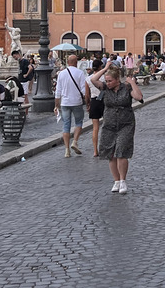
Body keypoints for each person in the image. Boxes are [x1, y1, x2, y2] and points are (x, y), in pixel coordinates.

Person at [93, 63, 142, 193]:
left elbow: (139, 97)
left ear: (117, 80)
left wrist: (132, 82)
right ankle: (116, 181)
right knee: (111, 154)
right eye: (106, 81)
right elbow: (93, 80)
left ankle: (123, 181)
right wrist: (104, 68)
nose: (107, 83)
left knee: (121, 151)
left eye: (110, 81)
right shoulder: (105, 89)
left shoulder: (126, 88)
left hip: (126, 124)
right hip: (109, 125)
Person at [53, 54, 89, 156]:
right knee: (78, 122)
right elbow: (83, 90)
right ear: (76, 62)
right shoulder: (80, 73)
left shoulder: (61, 74)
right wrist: (87, 102)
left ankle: (67, 150)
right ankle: (75, 141)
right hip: (77, 102)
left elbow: (58, 91)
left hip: (65, 103)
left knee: (66, 125)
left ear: (68, 62)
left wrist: (56, 105)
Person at [87, 65, 105, 157]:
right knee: (107, 126)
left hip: (94, 102)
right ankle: (106, 147)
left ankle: (95, 150)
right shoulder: (104, 77)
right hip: (104, 101)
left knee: (95, 128)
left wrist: (88, 104)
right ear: (100, 67)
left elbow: (87, 94)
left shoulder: (88, 79)